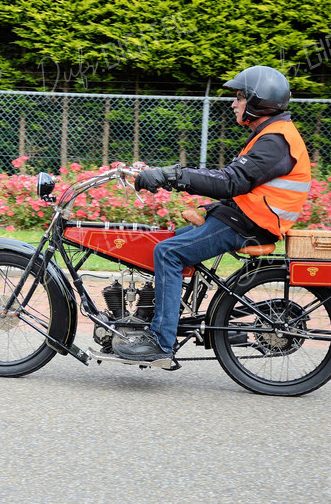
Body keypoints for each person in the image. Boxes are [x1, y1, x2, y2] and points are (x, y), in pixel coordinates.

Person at [114, 65, 312, 361]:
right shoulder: (270, 134)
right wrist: (175, 179)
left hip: (250, 222)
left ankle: (160, 341)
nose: (234, 103)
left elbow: (231, 182)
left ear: (259, 102)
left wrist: (174, 176)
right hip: (244, 215)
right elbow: (232, 180)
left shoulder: (275, 140)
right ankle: (160, 315)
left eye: (240, 97)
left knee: (168, 253)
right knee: (165, 240)